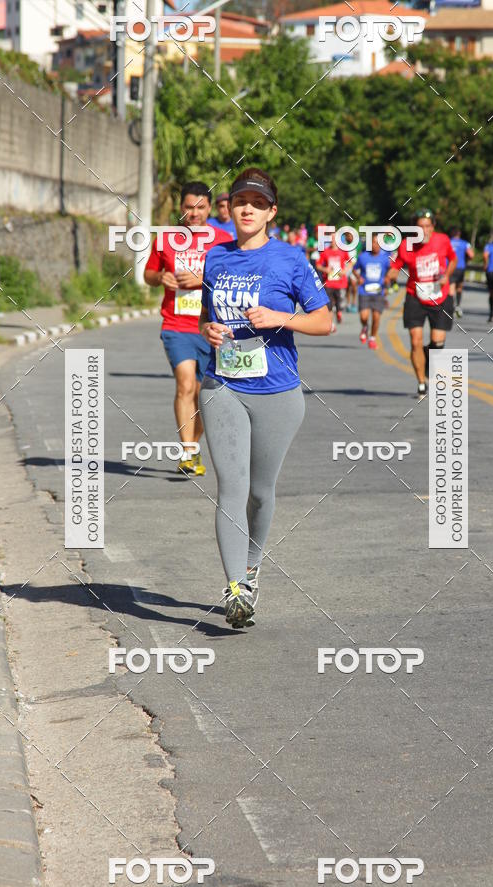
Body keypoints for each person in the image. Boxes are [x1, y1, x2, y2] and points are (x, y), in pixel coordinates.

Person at [198, 168, 330, 629]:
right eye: (239, 201)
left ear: (272, 212)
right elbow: (206, 319)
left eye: (257, 202)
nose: (247, 208)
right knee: (231, 488)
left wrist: (280, 317)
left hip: (278, 392)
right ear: (229, 210)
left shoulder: (290, 259)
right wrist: (209, 329)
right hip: (223, 387)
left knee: (259, 491)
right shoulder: (215, 259)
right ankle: (235, 587)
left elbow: (324, 322)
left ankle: (252, 569)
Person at [144, 181, 232, 475]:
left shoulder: (222, 241)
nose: (193, 214)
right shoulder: (167, 239)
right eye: (188, 208)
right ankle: (187, 452)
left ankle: (193, 446)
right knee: (185, 385)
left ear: (209, 209)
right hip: (177, 324)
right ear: (180, 208)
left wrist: (202, 279)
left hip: (211, 326)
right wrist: (162, 278)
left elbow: (233, 279)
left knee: (205, 393)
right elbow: (148, 274)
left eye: (200, 207)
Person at [384, 209, 456, 396]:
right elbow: (396, 266)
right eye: (419, 227)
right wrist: (390, 275)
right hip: (415, 296)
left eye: (427, 226)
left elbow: (453, 259)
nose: (424, 230)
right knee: (415, 341)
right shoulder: (407, 245)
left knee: (437, 344)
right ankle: (421, 382)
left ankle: (427, 355)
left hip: (440, 295)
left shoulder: (443, 240)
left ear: (433, 227)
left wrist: (446, 276)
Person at [353, 234, 391, 349]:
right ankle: (365, 327)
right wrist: (359, 278)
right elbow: (355, 269)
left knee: (376, 317)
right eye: (374, 243)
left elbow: (392, 271)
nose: (376, 245)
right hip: (364, 290)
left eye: (378, 243)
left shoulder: (385, 259)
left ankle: (372, 338)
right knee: (364, 317)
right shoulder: (363, 257)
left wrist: (388, 280)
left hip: (379, 291)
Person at [316, 231, 352, 325]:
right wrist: (325, 269)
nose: (332, 240)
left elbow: (350, 262)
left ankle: (339, 312)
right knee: (329, 305)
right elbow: (318, 265)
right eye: (331, 238)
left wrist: (345, 271)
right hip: (329, 282)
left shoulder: (343, 251)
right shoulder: (325, 252)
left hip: (340, 282)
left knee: (340, 303)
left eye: (334, 238)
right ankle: (331, 324)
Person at [448, 226, 473, 318]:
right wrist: (466, 260)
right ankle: (458, 306)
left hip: (450, 267)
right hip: (460, 267)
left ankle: (450, 308)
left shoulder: (448, 242)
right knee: (459, 287)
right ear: (459, 234)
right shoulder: (464, 243)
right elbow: (471, 254)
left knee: (451, 288)